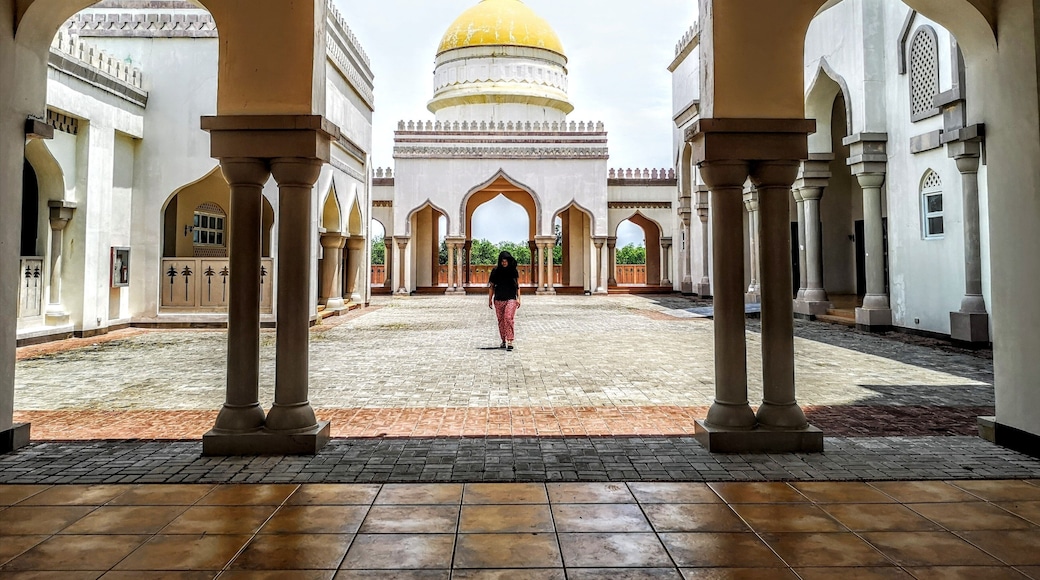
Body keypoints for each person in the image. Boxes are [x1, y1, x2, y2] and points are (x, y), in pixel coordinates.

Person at [488, 250, 521, 351]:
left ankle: (510, 340)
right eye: (502, 261)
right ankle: (503, 340)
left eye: (506, 261)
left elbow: (517, 286)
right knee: (501, 321)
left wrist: (518, 298)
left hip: (511, 298)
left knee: (508, 318)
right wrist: (490, 299)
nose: (504, 263)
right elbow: (492, 286)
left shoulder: (513, 271)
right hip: (499, 299)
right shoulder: (495, 271)